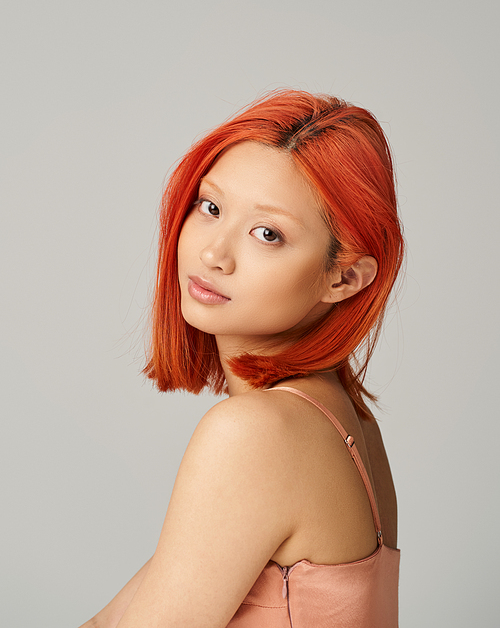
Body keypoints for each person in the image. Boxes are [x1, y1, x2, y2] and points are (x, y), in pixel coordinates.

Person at [79, 90, 404, 628]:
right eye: (210, 207)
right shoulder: (346, 420)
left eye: (267, 234)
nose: (213, 253)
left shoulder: (259, 432)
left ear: (343, 278)